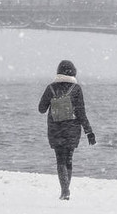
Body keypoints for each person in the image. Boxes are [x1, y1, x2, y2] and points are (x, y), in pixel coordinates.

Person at [38, 60, 95, 200]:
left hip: (55, 129)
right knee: (68, 159)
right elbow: (81, 113)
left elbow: (41, 109)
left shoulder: (50, 88)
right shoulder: (76, 89)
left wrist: (54, 101)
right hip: (72, 129)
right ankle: (66, 191)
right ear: (73, 72)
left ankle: (65, 191)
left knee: (60, 160)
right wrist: (89, 132)